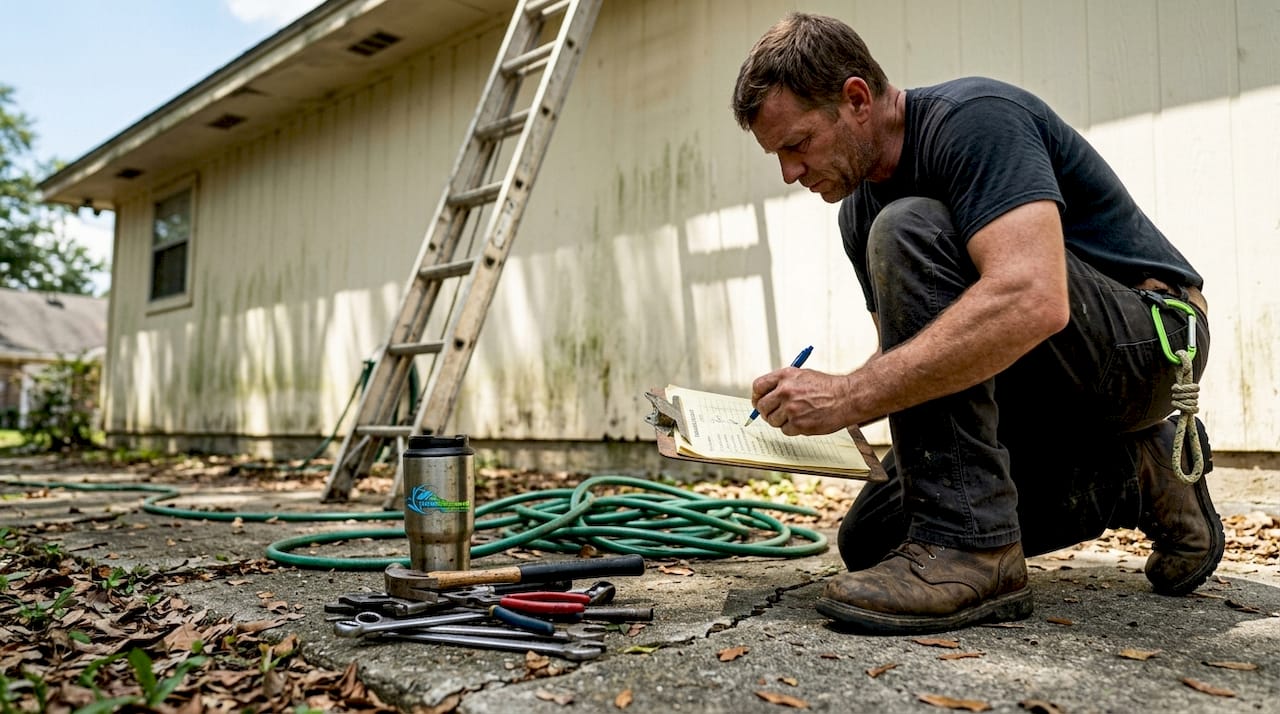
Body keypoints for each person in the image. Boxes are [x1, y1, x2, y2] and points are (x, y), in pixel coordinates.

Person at [731, 12, 1221, 635]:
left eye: (796, 145)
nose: (789, 173)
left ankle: (976, 549)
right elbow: (919, 345)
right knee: (875, 538)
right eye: (778, 156)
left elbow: (1032, 299)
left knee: (910, 225)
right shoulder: (858, 208)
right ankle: (1137, 474)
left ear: (855, 99)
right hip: (1043, 369)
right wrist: (832, 409)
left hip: (1147, 342)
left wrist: (851, 393)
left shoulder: (974, 120)